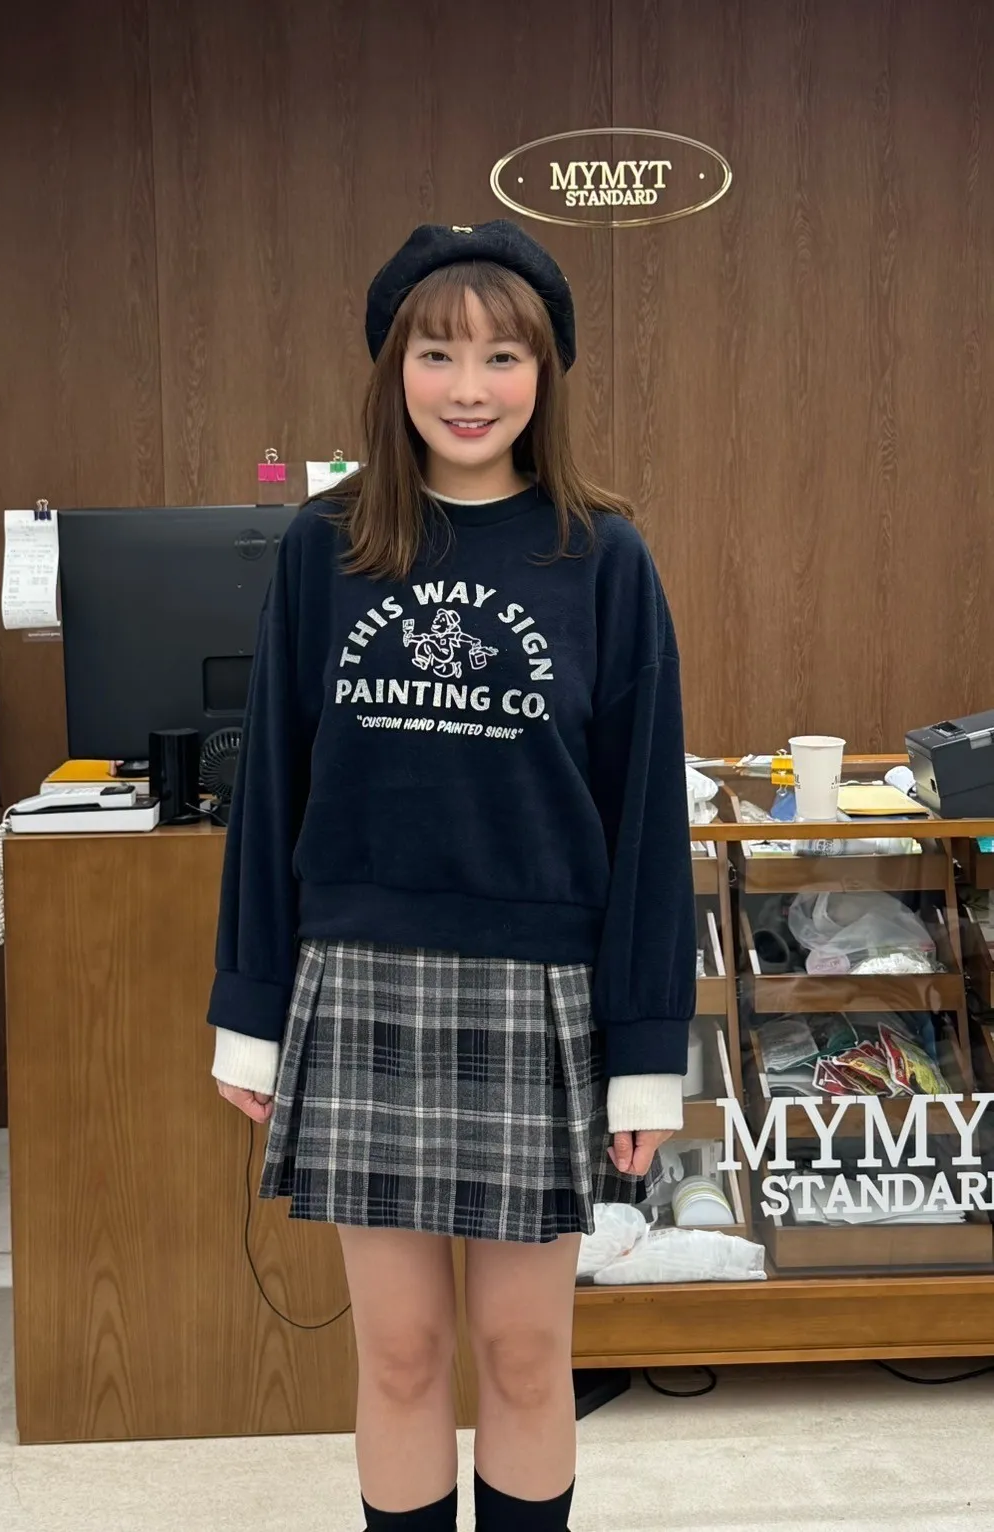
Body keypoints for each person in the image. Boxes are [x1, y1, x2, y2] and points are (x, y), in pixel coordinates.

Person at [207, 220, 696, 1532]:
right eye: (436, 353)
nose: (468, 386)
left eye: (500, 356)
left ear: (545, 373)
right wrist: (250, 1014)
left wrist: (645, 1051)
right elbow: (272, 791)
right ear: (393, 369)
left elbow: (647, 821)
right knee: (402, 1354)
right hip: (361, 979)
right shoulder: (323, 548)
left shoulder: (603, 556)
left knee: (527, 1357)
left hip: (541, 993)